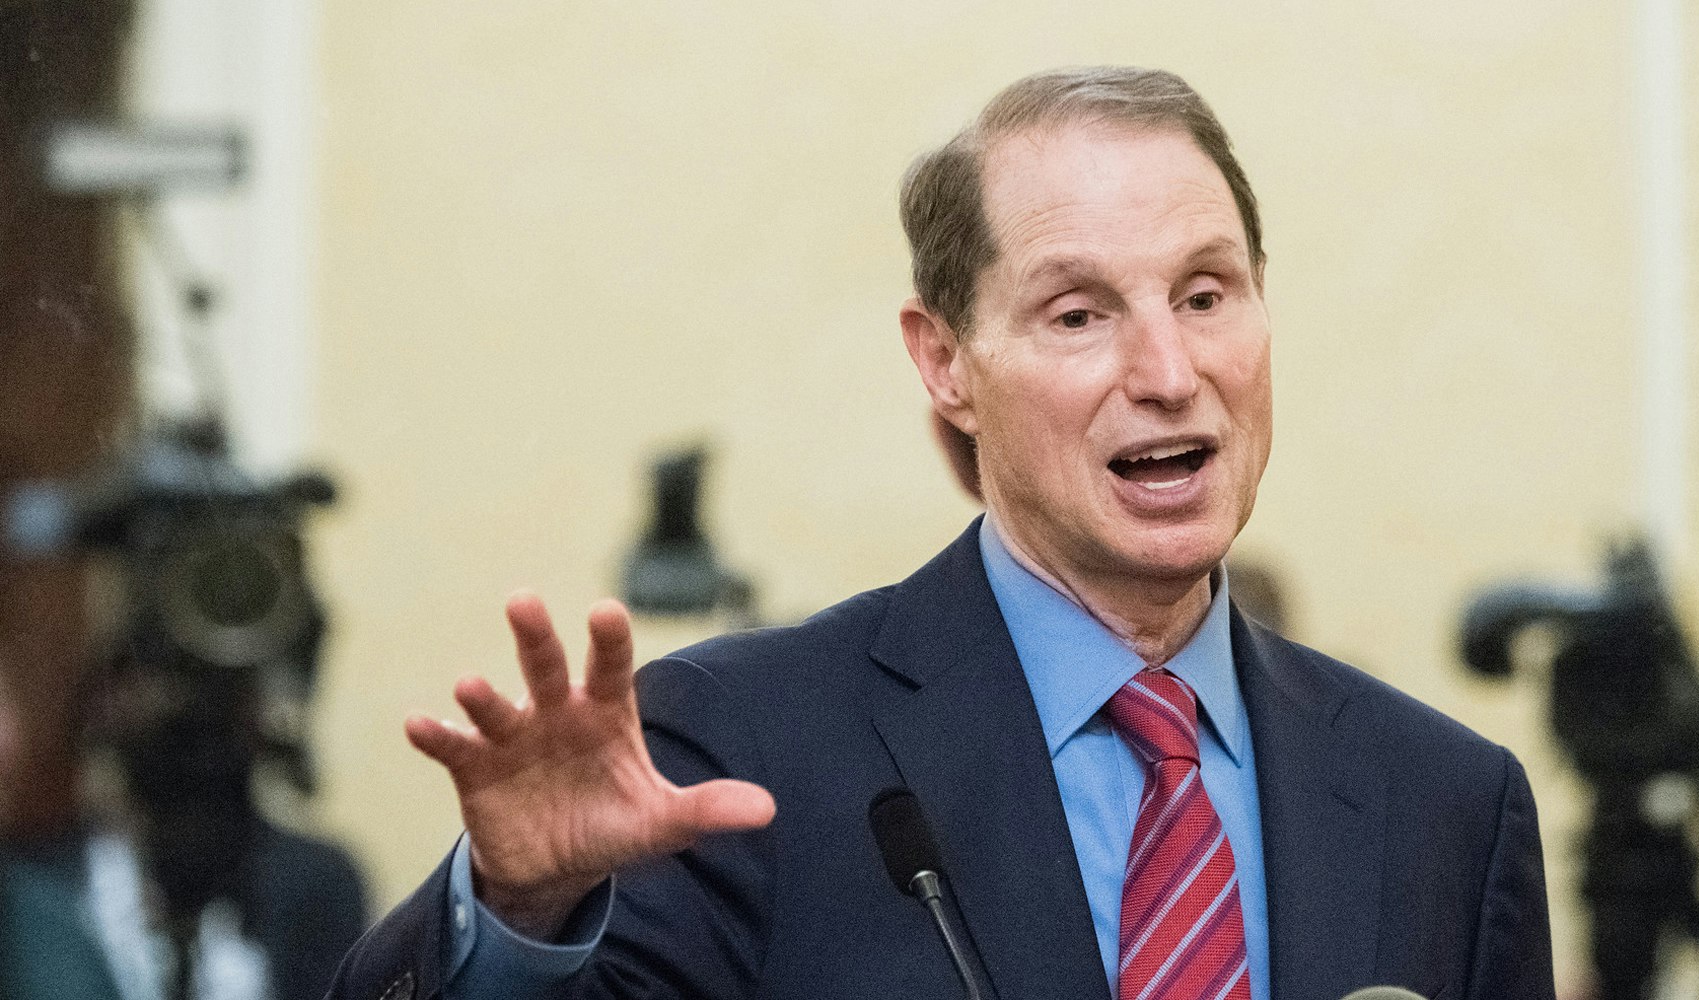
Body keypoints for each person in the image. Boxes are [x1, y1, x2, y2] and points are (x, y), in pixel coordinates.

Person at [327, 66, 1554, 1000]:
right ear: (945, 365)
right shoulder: (742, 749)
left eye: (1203, 294)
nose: (1169, 370)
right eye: (1078, 314)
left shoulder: (1443, 800)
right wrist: (518, 915)